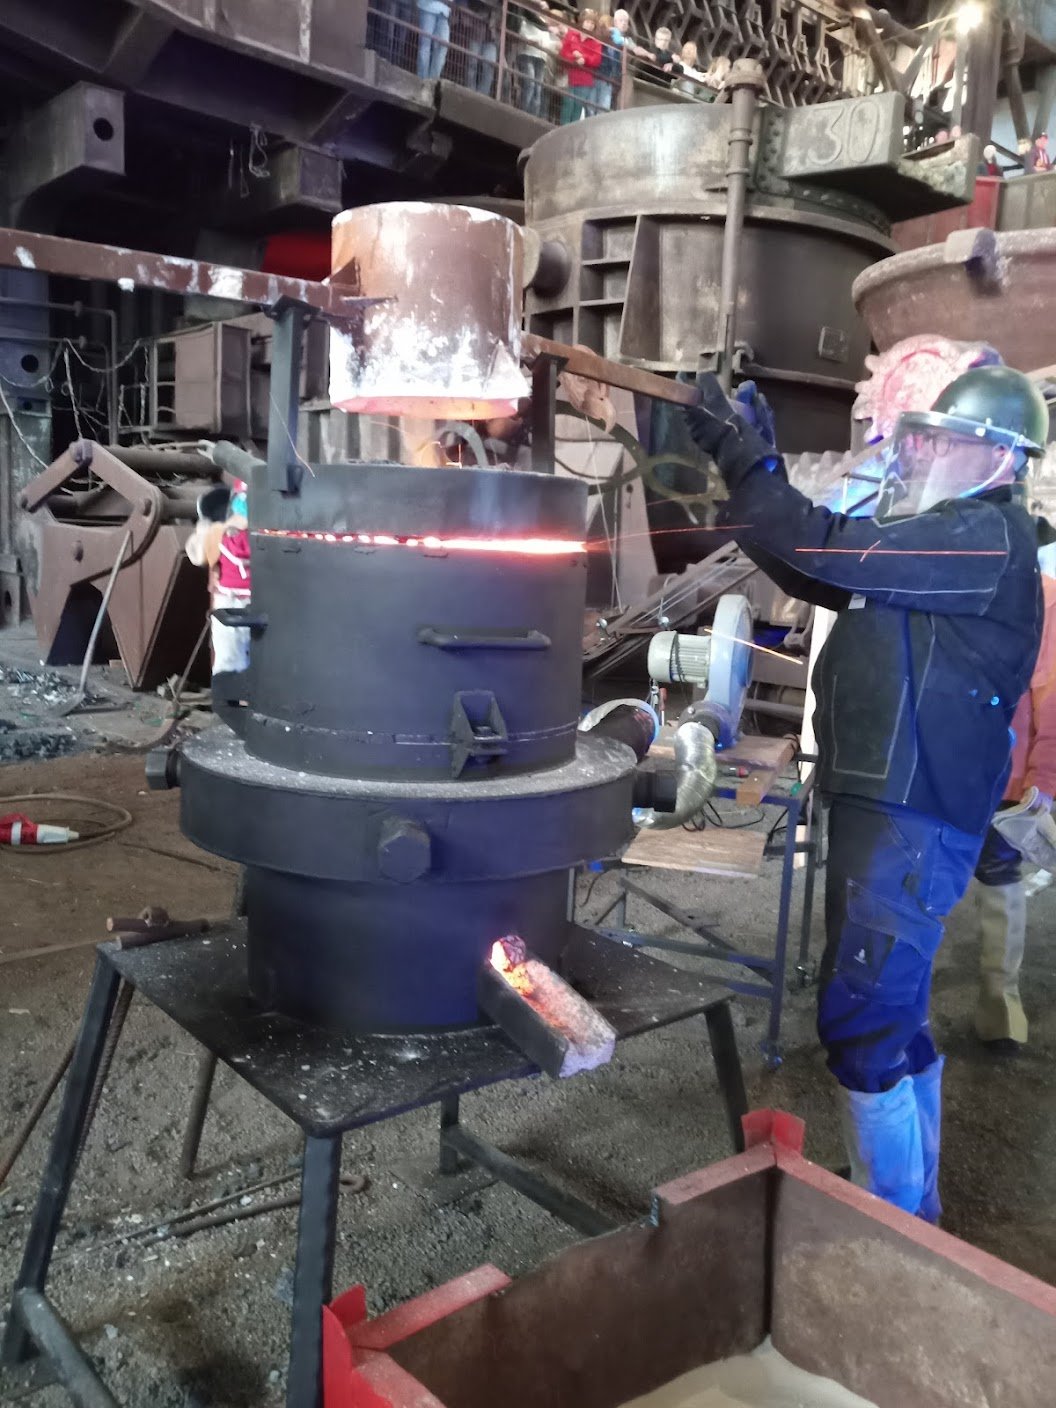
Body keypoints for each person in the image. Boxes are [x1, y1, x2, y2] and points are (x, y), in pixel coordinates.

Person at [683, 365, 1047, 1220]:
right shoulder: (951, 538)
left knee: (864, 1021)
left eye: (947, 443)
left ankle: (889, 1225)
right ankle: (910, 1212)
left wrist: (744, 459)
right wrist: (756, 467)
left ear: (1000, 458)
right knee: (890, 1016)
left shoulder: (983, 537)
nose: (924, 456)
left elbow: (821, 546)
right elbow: (813, 568)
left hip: (908, 818)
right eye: (928, 440)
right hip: (894, 809)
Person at [972, 546, 1056, 1053]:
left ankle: (1001, 1012)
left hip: (1006, 780)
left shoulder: (1046, 604)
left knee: (999, 879)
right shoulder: (955, 586)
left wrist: (1041, 782)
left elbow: (1052, 698)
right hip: (947, 769)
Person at [185, 478, 252, 676]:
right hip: (240, 600)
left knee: (229, 662)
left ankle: (230, 692)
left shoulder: (218, 534)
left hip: (232, 600)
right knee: (237, 660)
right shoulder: (221, 534)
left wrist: (207, 531)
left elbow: (197, 555)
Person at [558, 9, 602, 123]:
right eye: (588, 22)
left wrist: (584, 58)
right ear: (582, 21)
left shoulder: (596, 42)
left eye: (592, 23)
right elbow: (563, 52)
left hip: (584, 79)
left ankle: (572, 131)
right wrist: (574, 57)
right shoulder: (572, 34)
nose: (590, 25)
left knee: (577, 107)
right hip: (570, 75)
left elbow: (597, 60)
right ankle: (563, 128)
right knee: (568, 104)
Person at [461, 0, 498, 94]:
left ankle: (482, 94)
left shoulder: (499, 5)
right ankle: (469, 92)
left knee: (489, 66)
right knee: (472, 63)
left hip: (491, 36)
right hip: (476, 31)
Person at [417, 0, 452, 80]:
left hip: (444, 11)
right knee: (425, 45)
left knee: (443, 46)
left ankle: (432, 79)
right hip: (428, 6)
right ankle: (422, 79)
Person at [594, 15, 623, 111]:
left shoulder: (613, 40)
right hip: (598, 75)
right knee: (595, 106)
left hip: (608, 78)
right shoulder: (599, 37)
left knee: (602, 106)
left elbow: (616, 61)